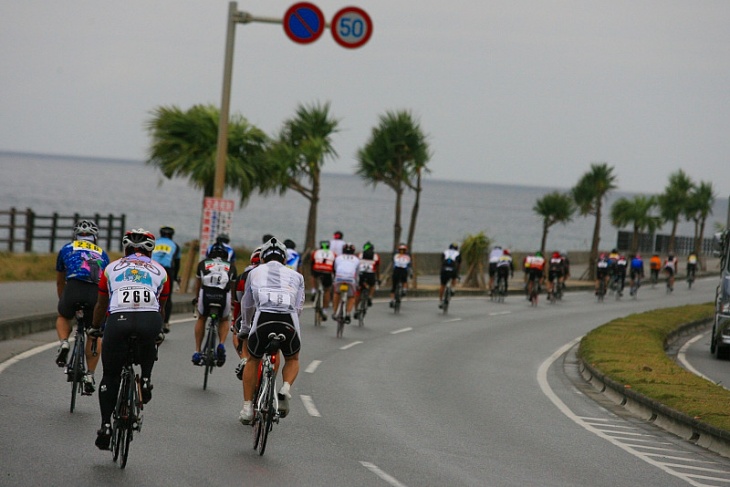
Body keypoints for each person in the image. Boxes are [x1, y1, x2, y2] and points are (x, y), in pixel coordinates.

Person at [90, 228, 170, 450]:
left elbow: (100, 304)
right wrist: (159, 329)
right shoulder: (161, 271)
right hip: (149, 319)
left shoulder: (110, 268)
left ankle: (106, 425)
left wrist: (95, 328)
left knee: (110, 375)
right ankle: (145, 378)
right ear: (150, 250)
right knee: (151, 340)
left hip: (118, 321)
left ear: (126, 247)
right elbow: (161, 306)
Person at [239, 237, 305, 424]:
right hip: (288, 321)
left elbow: (247, 304)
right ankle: (285, 388)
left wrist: (245, 327)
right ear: (284, 259)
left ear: (262, 258)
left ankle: (247, 408)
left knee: (253, 359)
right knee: (292, 358)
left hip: (263, 319)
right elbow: (299, 307)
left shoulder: (254, 272)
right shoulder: (297, 276)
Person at [54, 220, 110, 395]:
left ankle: (64, 343)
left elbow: (59, 280)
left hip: (73, 288)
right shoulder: (103, 253)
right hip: (94, 293)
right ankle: (90, 375)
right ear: (95, 238)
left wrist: (63, 301)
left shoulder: (66, 248)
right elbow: (106, 284)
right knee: (94, 332)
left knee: (63, 316)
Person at [191, 243, 238, 367]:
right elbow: (232, 288)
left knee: (202, 318)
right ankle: (221, 343)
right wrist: (232, 301)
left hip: (206, 294)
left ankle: (197, 350)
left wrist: (196, 299)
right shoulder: (231, 267)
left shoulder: (202, 264)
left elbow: (198, 284)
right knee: (224, 319)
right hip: (223, 296)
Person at [232, 246, 261, 380]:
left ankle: (243, 358)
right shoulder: (279, 275)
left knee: (238, 331)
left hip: (249, 314)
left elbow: (238, 301)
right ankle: (272, 376)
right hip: (275, 315)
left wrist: (235, 320)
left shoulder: (244, 276)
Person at [151, 226, 181, 333]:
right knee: (167, 297)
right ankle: (165, 322)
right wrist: (176, 277)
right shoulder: (175, 246)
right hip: (167, 271)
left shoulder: (155, 242)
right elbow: (177, 263)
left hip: (153, 268)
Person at [331, 242, 360, 323]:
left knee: (337, 293)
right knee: (352, 297)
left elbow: (335, 270)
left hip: (339, 277)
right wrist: (357, 284)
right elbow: (357, 274)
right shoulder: (356, 259)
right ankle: (347, 313)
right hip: (350, 279)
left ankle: (335, 312)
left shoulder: (338, 257)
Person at [310, 240, 335, 321]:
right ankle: (324, 310)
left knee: (313, 275)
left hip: (317, 270)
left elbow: (312, 263)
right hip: (327, 271)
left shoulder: (315, 252)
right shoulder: (333, 253)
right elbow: (334, 266)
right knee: (327, 290)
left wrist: (312, 272)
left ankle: (313, 290)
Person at [355, 241, 381, 316]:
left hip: (361, 274)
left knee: (358, 292)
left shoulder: (359, 255)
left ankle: (356, 310)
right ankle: (370, 297)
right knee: (372, 285)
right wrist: (378, 279)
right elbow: (377, 269)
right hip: (371, 274)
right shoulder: (376, 256)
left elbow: (356, 266)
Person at [438, 242, 461, 308]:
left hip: (444, 268)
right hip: (452, 268)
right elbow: (459, 264)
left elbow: (442, 261)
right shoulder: (458, 253)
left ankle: (440, 301)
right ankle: (453, 289)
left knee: (442, 285)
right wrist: (457, 273)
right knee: (454, 277)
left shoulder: (445, 252)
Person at [390, 243, 412, 307]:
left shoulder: (396, 255)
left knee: (394, 286)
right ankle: (404, 290)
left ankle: (392, 300)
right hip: (402, 270)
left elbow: (394, 262)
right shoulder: (407, 256)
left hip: (397, 270)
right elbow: (409, 265)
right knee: (404, 281)